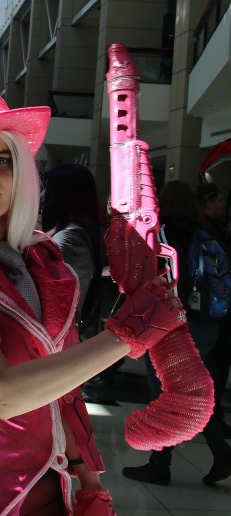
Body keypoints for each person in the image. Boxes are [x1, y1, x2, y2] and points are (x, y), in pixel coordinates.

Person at [0, 79, 186, 515]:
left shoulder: (44, 259)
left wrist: (90, 484)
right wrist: (127, 334)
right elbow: (0, 393)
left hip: (49, 490)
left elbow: (64, 389)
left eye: (2, 160)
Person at [122, 180, 231, 486]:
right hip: (208, 323)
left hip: (174, 324)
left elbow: (153, 277)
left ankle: (159, 466)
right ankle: (221, 452)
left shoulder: (163, 232)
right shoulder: (204, 231)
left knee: (169, 396)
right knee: (191, 394)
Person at [41, 164, 104, 338]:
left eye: (49, 191)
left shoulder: (68, 240)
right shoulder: (78, 234)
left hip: (58, 340)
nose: (43, 196)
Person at [196, 183, 231, 438]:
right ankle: (211, 419)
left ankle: (210, 419)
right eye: (220, 200)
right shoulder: (208, 232)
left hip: (210, 307)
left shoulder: (205, 229)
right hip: (215, 309)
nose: (224, 205)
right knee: (216, 363)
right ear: (208, 203)